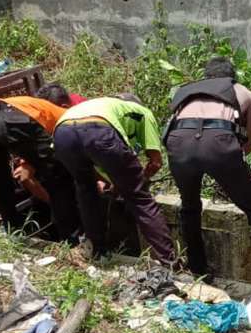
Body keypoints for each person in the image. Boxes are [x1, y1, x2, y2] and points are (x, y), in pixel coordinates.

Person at [163, 56, 251, 293]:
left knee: (189, 207)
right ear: (232, 76)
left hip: (178, 143)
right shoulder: (242, 92)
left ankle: (198, 272)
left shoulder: (185, 90)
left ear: (206, 76)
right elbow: (248, 146)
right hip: (218, 144)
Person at [53, 94, 175, 264]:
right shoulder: (142, 112)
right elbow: (155, 162)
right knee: (140, 199)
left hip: (62, 133)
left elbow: (93, 158)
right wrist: (139, 181)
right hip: (96, 130)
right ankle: (169, 262)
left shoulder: (101, 106)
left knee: (86, 192)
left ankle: (98, 252)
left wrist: (117, 181)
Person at [0, 93, 80, 241]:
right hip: (14, 120)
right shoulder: (69, 118)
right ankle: (72, 239)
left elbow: (32, 149)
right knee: (58, 177)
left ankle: (12, 231)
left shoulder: (38, 109)